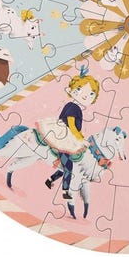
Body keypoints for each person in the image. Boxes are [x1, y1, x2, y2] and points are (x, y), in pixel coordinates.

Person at [44, 67, 100, 199]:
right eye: (80, 90)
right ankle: (65, 191)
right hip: (64, 138)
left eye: (91, 94)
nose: (85, 95)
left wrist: (80, 138)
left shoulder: (75, 107)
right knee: (68, 166)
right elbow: (71, 125)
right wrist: (81, 138)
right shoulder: (73, 107)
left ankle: (50, 180)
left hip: (69, 137)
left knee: (69, 165)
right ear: (71, 90)